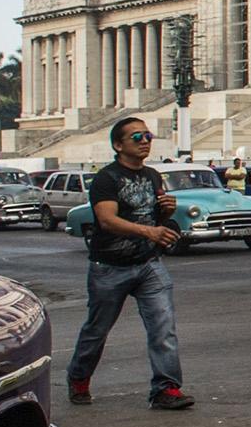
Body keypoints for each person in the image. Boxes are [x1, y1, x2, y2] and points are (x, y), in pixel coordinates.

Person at [65, 116, 192, 411]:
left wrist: (165, 213)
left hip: (148, 264)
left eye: (147, 135)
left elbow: (152, 218)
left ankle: (166, 388)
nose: (145, 141)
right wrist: (150, 231)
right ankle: (79, 376)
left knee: (163, 327)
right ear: (118, 145)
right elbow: (107, 221)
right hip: (109, 266)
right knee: (97, 329)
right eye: (137, 137)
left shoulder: (151, 176)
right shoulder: (106, 179)